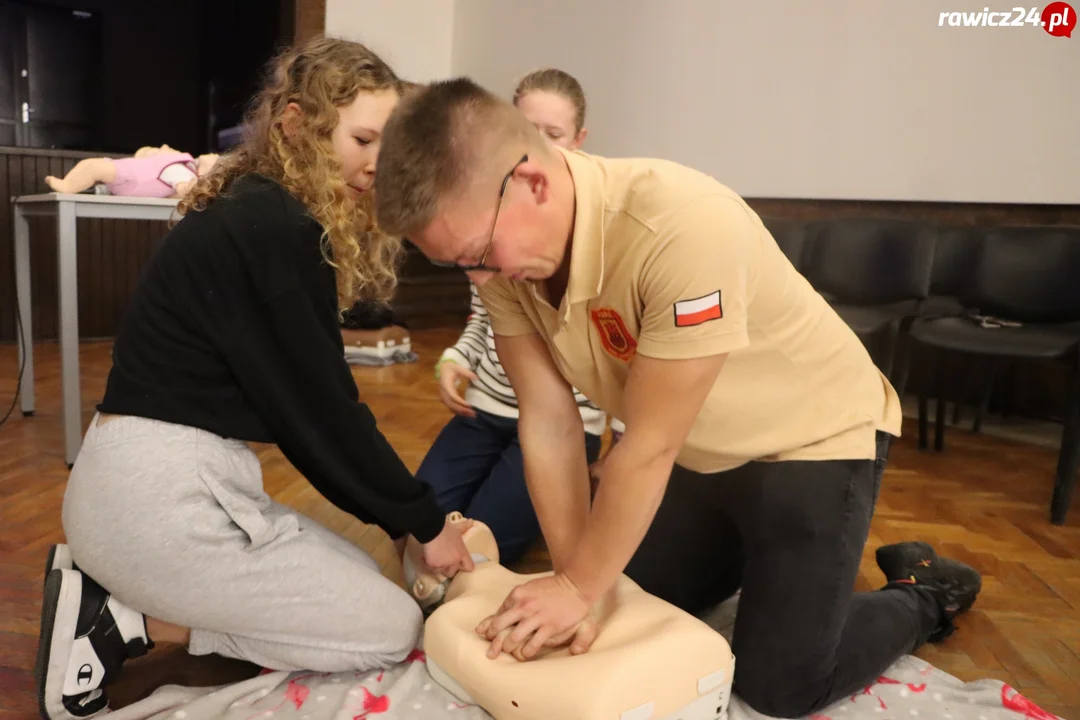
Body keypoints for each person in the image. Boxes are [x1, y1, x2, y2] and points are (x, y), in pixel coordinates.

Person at [371, 78, 983, 719]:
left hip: (809, 443)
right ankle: (767, 565)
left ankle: (924, 592)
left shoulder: (681, 224)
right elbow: (549, 420)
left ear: (533, 183)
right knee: (630, 598)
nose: (480, 279)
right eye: (461, 265)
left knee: (782, 686)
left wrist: (579, 584)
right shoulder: (505, 253)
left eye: (480, 256)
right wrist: (578, 580)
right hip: (698, 451)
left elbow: (651, 443)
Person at [35, 38, 474, 720]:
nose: (377, 163)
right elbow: (321, 415)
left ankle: (126, 603)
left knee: (360, 583)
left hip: (156, 485)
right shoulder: (273, 226)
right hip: (152, 504)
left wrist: (399, 524)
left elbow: (312, 409)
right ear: (297, 123)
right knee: (391, 629)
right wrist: (419, 521)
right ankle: (125, 621)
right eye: (362, 138)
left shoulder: (261, 209)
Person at [415, 68, 608, 567]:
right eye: (525, 131)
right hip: (485, 408)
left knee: (489, 543)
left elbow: (622, 341)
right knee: (419, 519)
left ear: (580, 140)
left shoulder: (599, 233)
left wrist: (623, 438)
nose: (537, 146)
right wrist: (454, 358)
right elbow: (486, 313)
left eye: (554, 134)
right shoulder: (488, 219)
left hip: (565, 422)